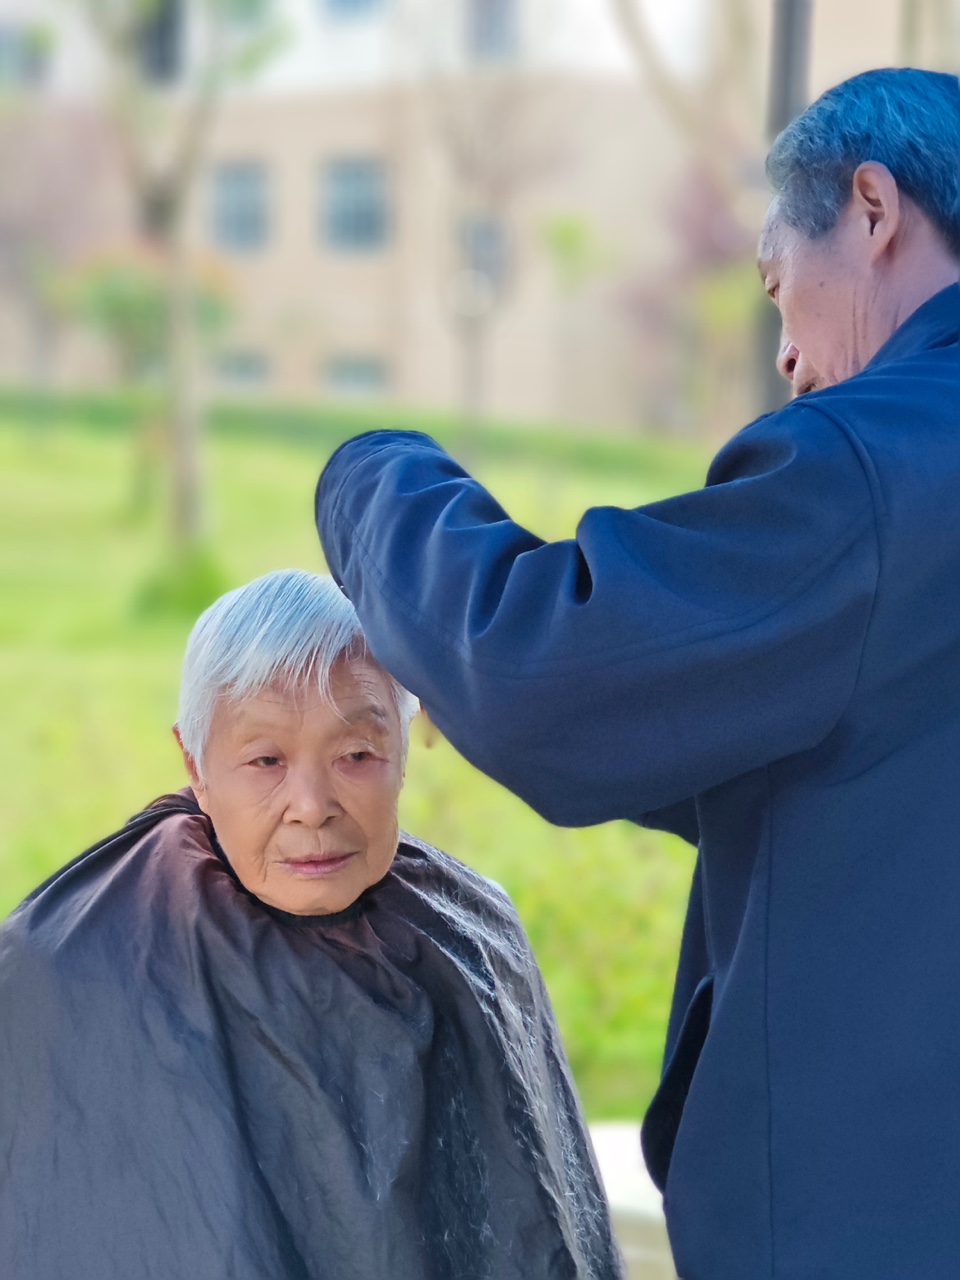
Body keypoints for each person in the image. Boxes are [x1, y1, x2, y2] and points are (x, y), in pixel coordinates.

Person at [314, 68, 960, 1279]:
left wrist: (368, 474)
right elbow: (887, 751)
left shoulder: (880, 467)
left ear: (873, 211)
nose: (787, 355)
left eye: (779, 285)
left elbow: (536, 667)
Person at [0, 569, 623, 1280]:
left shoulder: (474, 936)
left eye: (356, 756)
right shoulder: (80, 961)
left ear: (404, 748)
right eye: (266, 760)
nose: (312, 805)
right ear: (195, 764)